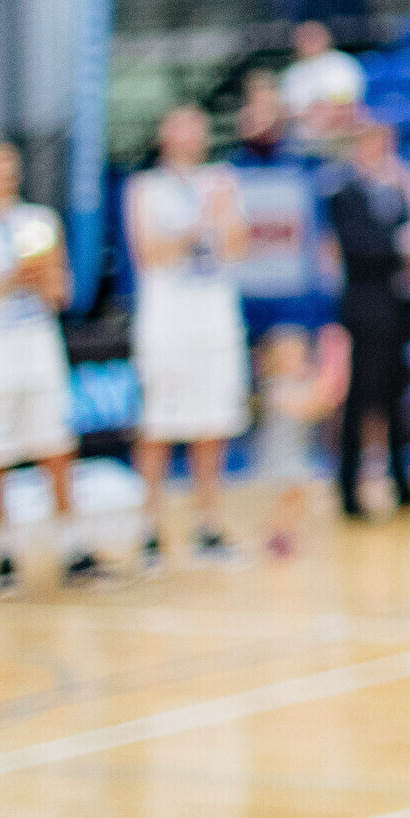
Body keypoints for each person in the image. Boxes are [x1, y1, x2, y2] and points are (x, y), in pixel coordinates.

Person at [0, 140, 103, 593]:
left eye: (6, 166)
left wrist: (42, 277)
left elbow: (61, 293)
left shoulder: (38, 222)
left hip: (38, 355)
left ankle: (72, 545)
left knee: (57, 447)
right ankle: (4, 550)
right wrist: (11, 277)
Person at [129, 105, 251, 571]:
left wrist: (220, 222)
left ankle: (207, 524)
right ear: (164, 133)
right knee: (157, 425)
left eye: (197, 126)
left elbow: (237, 246)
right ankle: (150, 528)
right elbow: (151, 253)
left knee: (212, 423)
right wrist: (202, 222)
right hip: (166, 324)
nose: (190, 133)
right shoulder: (147, 187)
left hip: (214, 321)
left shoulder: (222, 180)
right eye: (180, 125)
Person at [319, 120, 410, 518]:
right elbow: (357, 246)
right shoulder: (342, 192)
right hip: (365, 309)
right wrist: (403, 243)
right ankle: (349, 489)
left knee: (396, 396)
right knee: (361, 398)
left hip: (398, 306)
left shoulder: (395, 189)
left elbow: (409, 237)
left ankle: (402, 482)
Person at [252, 325, 347, 559]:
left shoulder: (301, 384)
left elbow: (322, 407)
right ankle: (277, 533)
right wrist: (323, 387)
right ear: (277, 361)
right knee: (288, 497)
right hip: (280, 455)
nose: (301, 363)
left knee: (298, 497)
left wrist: (334, 369)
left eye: (303, 357)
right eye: (293, 358)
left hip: (298, 454)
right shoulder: (275, 388)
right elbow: (306, 408)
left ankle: (285, 533)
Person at [278, 21, 367, 151]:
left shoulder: (343, 64)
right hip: (303, 135)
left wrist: (323, 113)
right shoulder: (291, 74)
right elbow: (287, 110)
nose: (310, 42)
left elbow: (349, 105)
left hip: (341, 131)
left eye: (314, 37)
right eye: (305, 38)